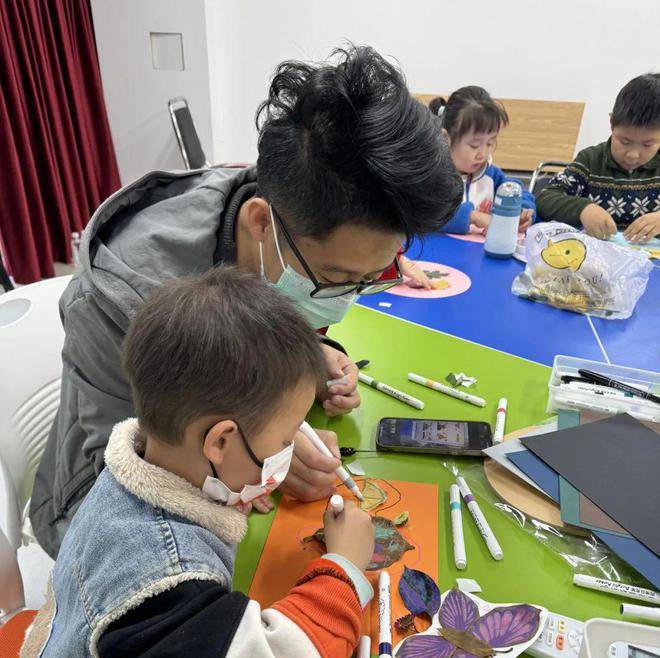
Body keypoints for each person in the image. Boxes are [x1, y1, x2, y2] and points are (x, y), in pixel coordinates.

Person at [30, 45, 462, 559]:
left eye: (371, 279)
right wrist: (262, 460)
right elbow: (125, 472)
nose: (345, 301)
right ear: (261, 223)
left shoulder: (286, 222)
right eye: (337, 279)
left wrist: (306, 362)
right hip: (111, 521)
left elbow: (266, 322)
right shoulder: (125, 302)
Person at [13, 267, 376, 658]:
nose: (292, 452)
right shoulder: (159, 576)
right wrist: (346, 569)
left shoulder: (145, 461)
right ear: (220, 442)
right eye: (286, 440)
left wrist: (243, 486)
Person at [537, 74, 660, 241]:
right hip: (597, 252)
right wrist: (583, 209)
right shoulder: (590, 160)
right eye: (625, 141)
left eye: (647, 145)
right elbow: (545, 199)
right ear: (612, 123)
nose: (633, 155)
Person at [429, 88, 536, 235]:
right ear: (446, 139)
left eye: (490, 143)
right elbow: (425, 214)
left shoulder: (492, 175)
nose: (483, 154)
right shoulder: (432, 176)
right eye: (474, 146)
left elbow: (519, 193)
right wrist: (472, 217)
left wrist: (520, 212)